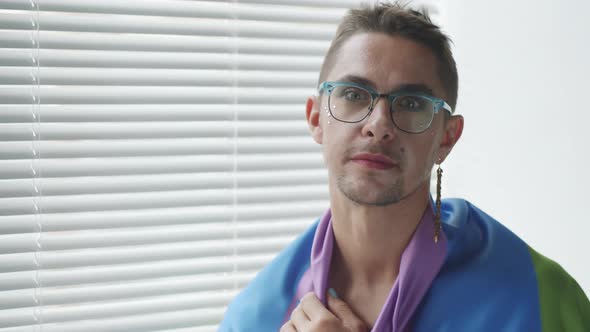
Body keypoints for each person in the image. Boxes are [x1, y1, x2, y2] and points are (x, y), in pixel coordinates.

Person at [218, 2, 590, 331]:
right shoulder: (254, 317)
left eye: (411, 103)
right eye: (353, 95)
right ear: (316, 118)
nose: (378, 124)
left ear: (447, 138)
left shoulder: (539, 297)